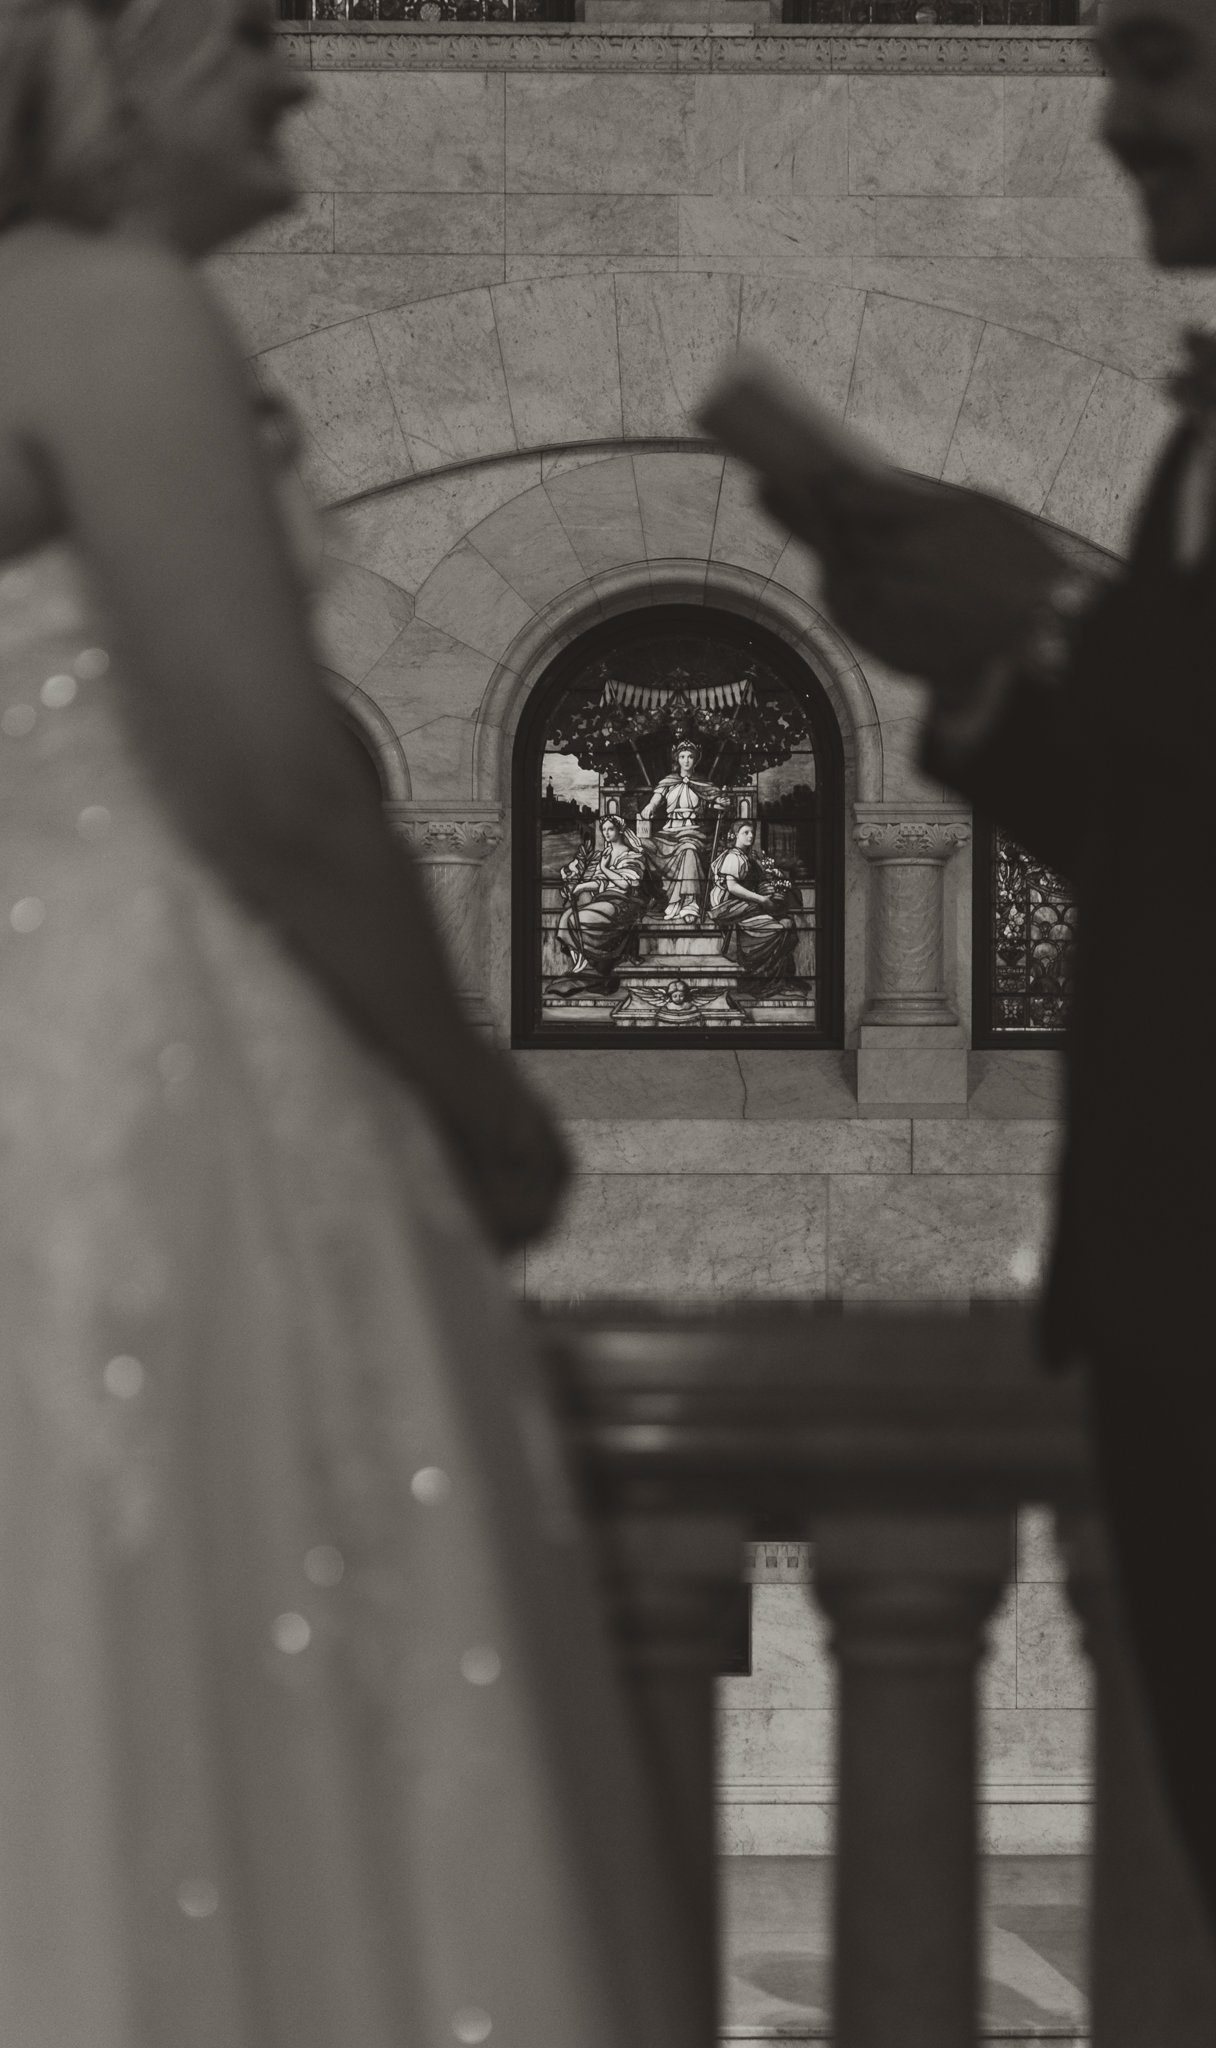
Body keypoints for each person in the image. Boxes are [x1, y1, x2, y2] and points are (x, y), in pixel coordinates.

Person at [0, 4, 698, 2045]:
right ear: (100, 74)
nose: (298, 77)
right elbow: (273, 782)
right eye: (244, 39)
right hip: (140, 1073)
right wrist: (480, 1103)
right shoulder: (105, 310)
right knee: (215, 1649)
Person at [750, 2, 1216, 2042]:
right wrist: (985, 673)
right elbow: (1208, 833)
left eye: (1157, 57)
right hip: (1209, 1307)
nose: (1108, 117)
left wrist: (1066, 622)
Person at [548, 813, 649, 997]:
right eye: (603, 829)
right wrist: (579, 888)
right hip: (604, 900)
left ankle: (590, 968)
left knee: (582, 918)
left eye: (610, 829)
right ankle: (581, 966)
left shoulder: (633, 855)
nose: (606, 833)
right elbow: (600, 882)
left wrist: (605, 868)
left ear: (620, 830)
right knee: (567, 917)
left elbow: (625, 884)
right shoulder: (606, 854)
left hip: (622, 902)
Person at [708, 821, 803, 996]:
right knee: (779, 929)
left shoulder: (748, 856)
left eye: (752, 832)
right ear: (735, 835)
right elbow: (732, 887)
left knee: (787, 924)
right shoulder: (733, 857)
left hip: (746, 905)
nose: (751, 836)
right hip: (730, 906)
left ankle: (779, 978)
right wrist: (762, 900)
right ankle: (762, 980)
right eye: (745, 832)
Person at [637, 739, 728, 920]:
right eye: (683, 756)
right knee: (641, 847)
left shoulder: (703, 783)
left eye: (690, 757)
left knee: (689, 851)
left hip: (692, 832)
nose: (686, 760)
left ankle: (689, 904)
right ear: (677, 759)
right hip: (668, 833)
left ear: (696, 760)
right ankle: (650, 898)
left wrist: (721, 802)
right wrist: (649, 808)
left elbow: (717, 799)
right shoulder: (668, 781)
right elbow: (655, 801)